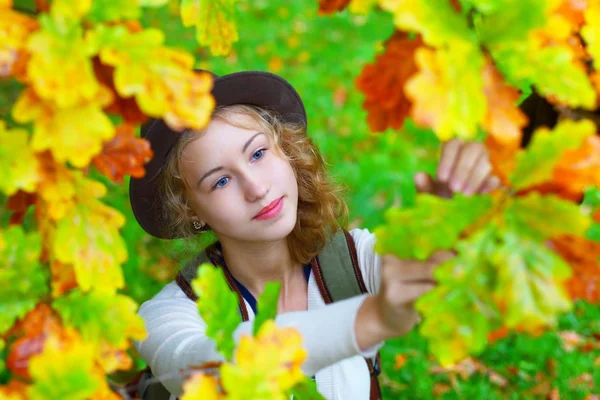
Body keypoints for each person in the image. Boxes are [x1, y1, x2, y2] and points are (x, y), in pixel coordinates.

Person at [129, 70, 500, 400]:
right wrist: (373, 318)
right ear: (191, 209)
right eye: (221, 180)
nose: (256, 188)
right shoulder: (167, 315)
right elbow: (210, 371)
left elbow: (434, 268)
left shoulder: (352, 263)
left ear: (285, 151)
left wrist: (454, 224)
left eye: (258, 154)